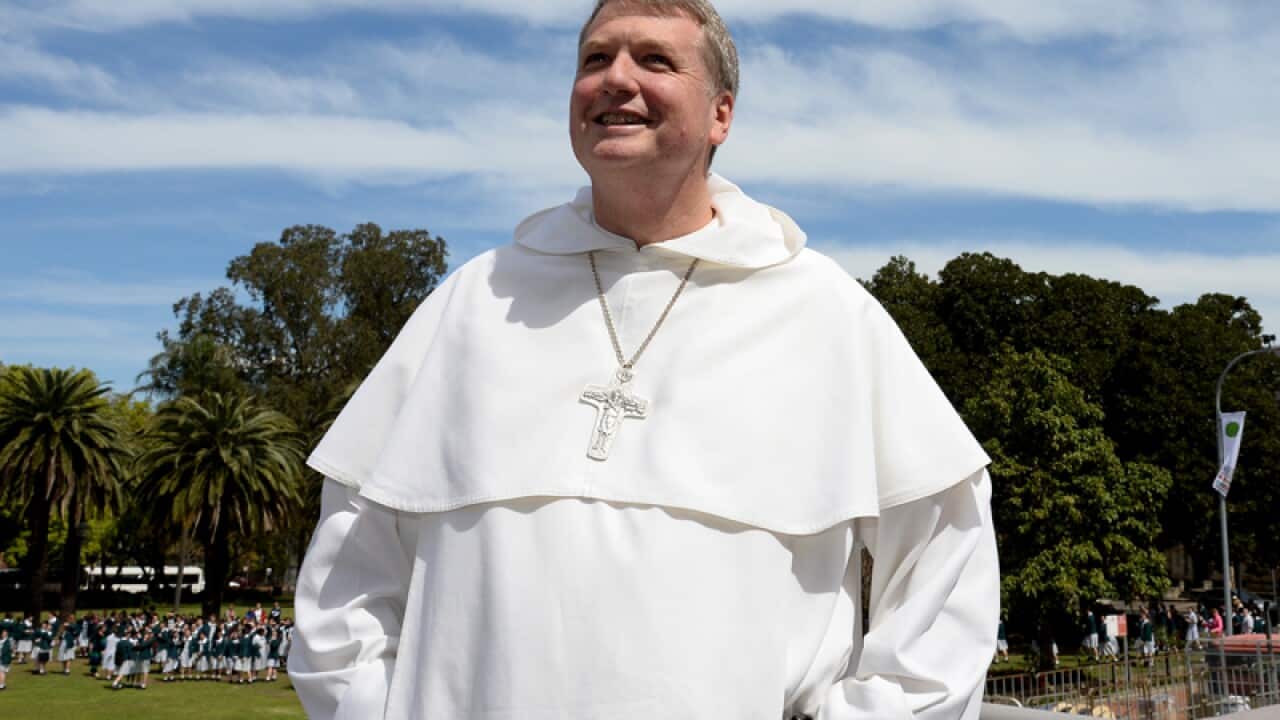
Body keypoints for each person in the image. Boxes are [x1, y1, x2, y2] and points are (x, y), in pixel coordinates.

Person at [288, 1, 1000, 718]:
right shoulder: (475, 301)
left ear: (721, 114)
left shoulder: (826, 312)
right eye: (595, 59)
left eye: (654, 60)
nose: (615, 79)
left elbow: (948, 562)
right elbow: (347, 576)